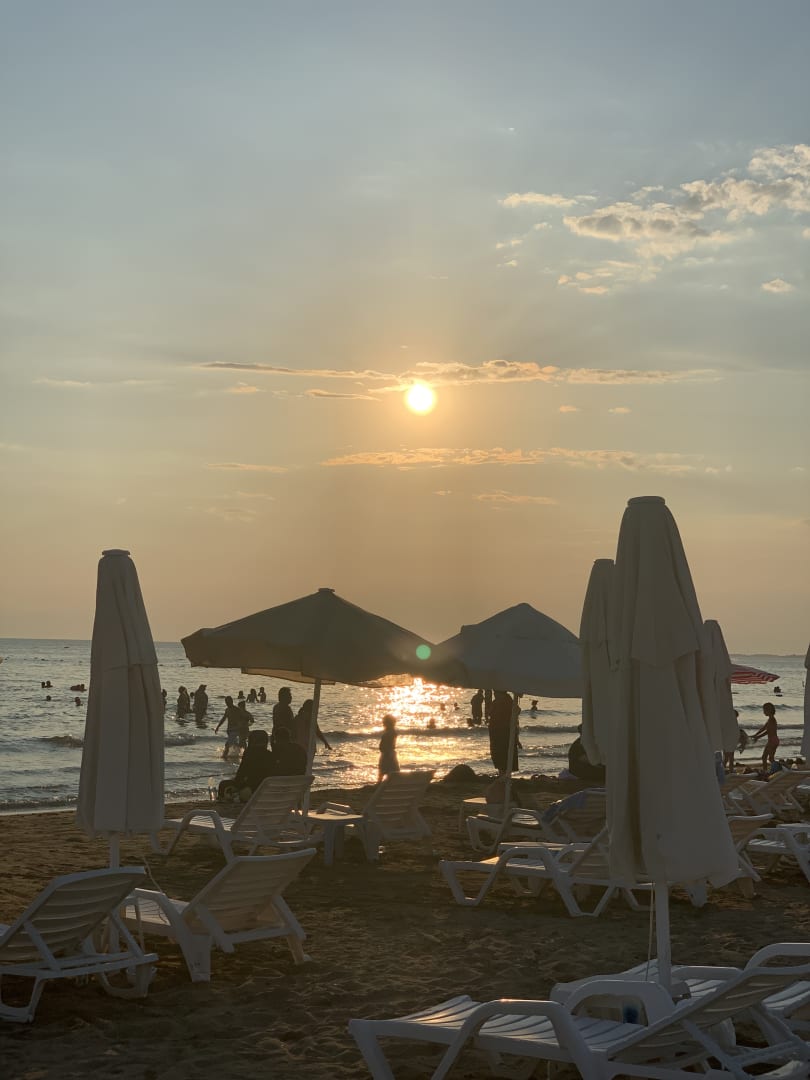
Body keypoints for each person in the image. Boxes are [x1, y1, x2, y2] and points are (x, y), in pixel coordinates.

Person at [218, 729, 274, 801]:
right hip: (266, 789)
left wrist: (236, 783)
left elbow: (241, 775)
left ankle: (222, 801)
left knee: (223, 784)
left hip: (251, 789)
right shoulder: (270, 755)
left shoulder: (249, 754)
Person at [488, 690, 517, 774]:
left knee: (503, 754)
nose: (494, 694)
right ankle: (502, 773)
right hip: (497, 733)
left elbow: (513, 715)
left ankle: (504, 773)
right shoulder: (498, 702)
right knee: (499, 754)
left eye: (496, 693)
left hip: (502, 733)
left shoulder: (506, 702)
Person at [753, 702, 779, 769]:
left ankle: (778, 768)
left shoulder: (772, 720)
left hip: (772, 741)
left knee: (768, 758)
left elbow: (768, 731)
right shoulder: (770, 719)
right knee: (766, 757)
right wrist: (755, 735)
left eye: (764, 710)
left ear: (769, 710)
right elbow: (763, 728)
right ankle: (767, 770)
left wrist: (758, 737)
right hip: (773, 740)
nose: (763, 712)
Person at [378, 714, 399, 779]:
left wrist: (386, 752)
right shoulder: (392, 732)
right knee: (392, 772)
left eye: (384, 722)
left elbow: (387, 745)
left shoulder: (389, 733)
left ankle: (380, 784)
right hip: (389, 754)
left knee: (384, 772)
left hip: (387, 754)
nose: (383, 723)